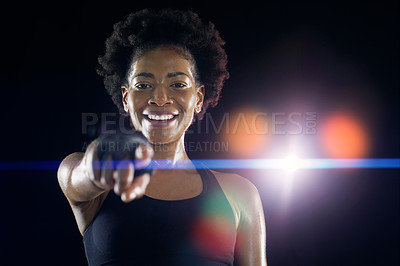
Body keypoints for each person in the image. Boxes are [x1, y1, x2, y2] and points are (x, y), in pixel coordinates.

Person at [58, 8, 267, 266]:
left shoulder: (238, 194)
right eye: (143, 85)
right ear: (126, 97)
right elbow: (79, 176)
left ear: (198, 98)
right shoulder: (96, 182)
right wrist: (97, 164)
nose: (159, 98)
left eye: (177, 84)